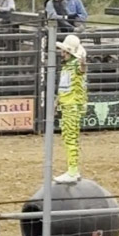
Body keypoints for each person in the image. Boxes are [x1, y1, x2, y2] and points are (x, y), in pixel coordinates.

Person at [54, 34, 87, 184]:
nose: (62, 53)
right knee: (68, 138)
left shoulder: (74, 65)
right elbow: (63, 87)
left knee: (71, 139)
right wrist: (57, 101)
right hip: (67, 105)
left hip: (73, 106)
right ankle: (72, 169)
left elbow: (82, 70)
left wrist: (82, 63)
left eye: (65, 51)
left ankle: (73, 171)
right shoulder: (67, 67)